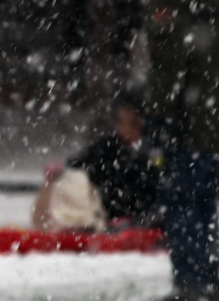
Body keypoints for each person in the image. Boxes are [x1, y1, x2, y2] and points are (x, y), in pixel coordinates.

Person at [121, 0, 219, 301]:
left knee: (180, 198)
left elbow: (168, 54)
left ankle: (191, 290)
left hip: (194, 111)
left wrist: (159, 114)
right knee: (201, 199)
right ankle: (207, 289)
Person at [31, 86, 160, 232]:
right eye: (125, 122)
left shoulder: (152, 149)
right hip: (108, 212)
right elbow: (78, 165)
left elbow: (154, 183)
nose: (131, 129)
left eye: (135, 123)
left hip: (142, 213)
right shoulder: (107, 147)